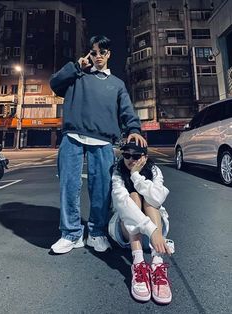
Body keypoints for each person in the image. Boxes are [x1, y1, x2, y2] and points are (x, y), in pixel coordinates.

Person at [49, 35, 147, 254]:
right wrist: (76, 66)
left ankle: (97, 232)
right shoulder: (77, 76)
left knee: (102, 189)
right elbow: (54, 83)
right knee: (69, 186)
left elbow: (127, 112)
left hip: (103, 140)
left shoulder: (117, 84)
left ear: (108, 54)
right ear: (89, 54)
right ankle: (70, 234)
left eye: (102, 52)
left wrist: (134, 129)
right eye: (94, 52)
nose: (98, 56)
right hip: (72, 137)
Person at [109, 140, 174, 304]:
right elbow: (122, 204)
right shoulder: (118, 172)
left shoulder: (154, 170)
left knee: (151, 201)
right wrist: (152, 231)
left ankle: (157, 263)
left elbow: (158, 198)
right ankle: (138, 264)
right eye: (127, 155)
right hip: (130, 234)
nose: (131, 159)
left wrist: (136, 176)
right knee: (133, 197)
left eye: (136, 155)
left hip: (155, 240)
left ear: (145, 157)